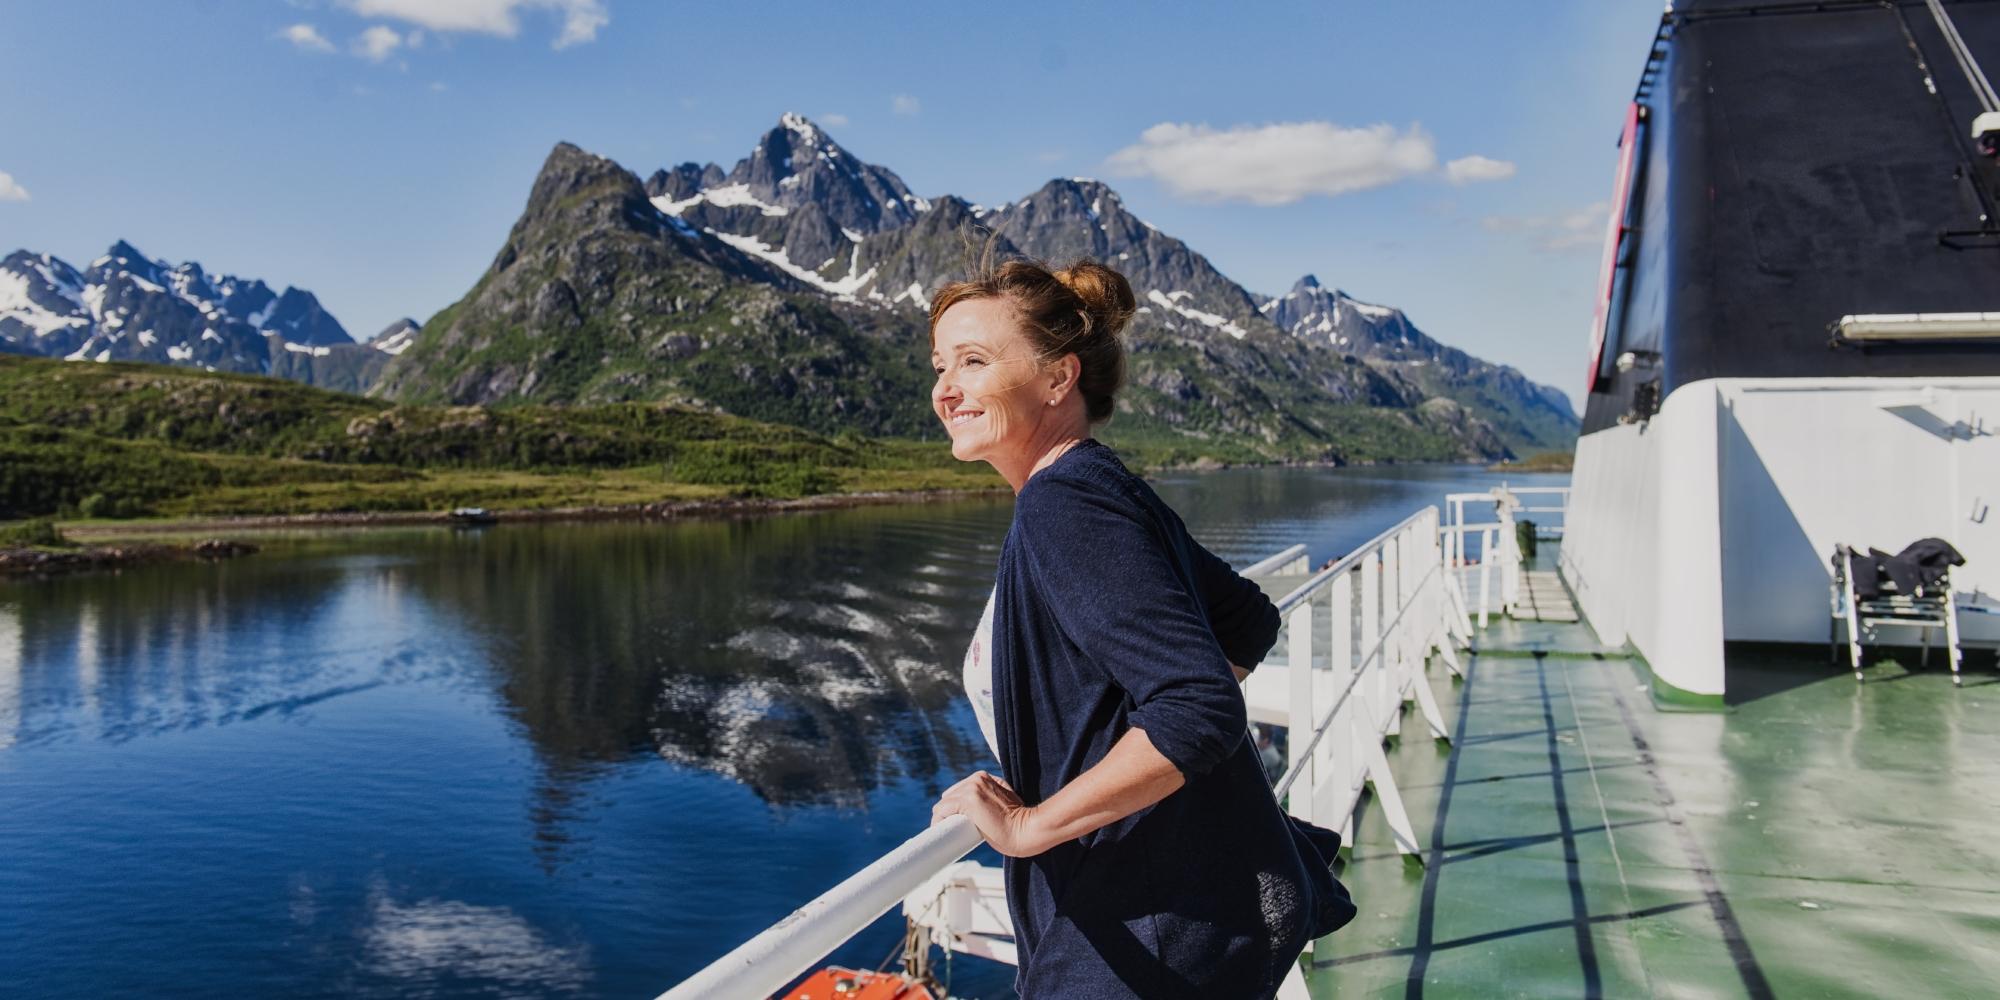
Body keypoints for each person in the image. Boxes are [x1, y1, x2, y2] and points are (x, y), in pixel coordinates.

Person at [928, 252, 1355, 998]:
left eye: (972, 361)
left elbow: (1197, 705)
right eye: (940, 365)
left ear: (1059, 378)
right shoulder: (1097, 482)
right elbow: (1247, 621)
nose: (945, 389)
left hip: (1152, 926)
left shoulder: (1064, 505)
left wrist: (1033, 826)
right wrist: (1135, 743)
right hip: (1198, 904)